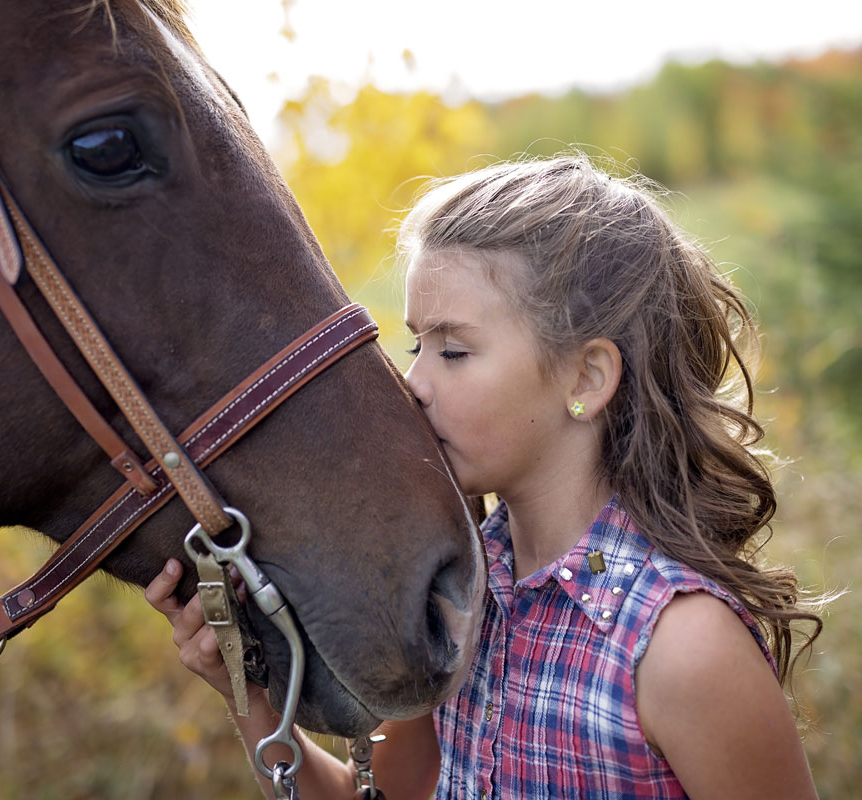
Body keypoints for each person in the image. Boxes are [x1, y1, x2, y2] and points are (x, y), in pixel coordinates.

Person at [146, 153, 823, 799]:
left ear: (586, 378)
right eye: (417, 345)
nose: (412, 383)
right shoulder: (456, 601)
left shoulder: (681, 647)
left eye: (455, 350)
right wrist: (246, 688)